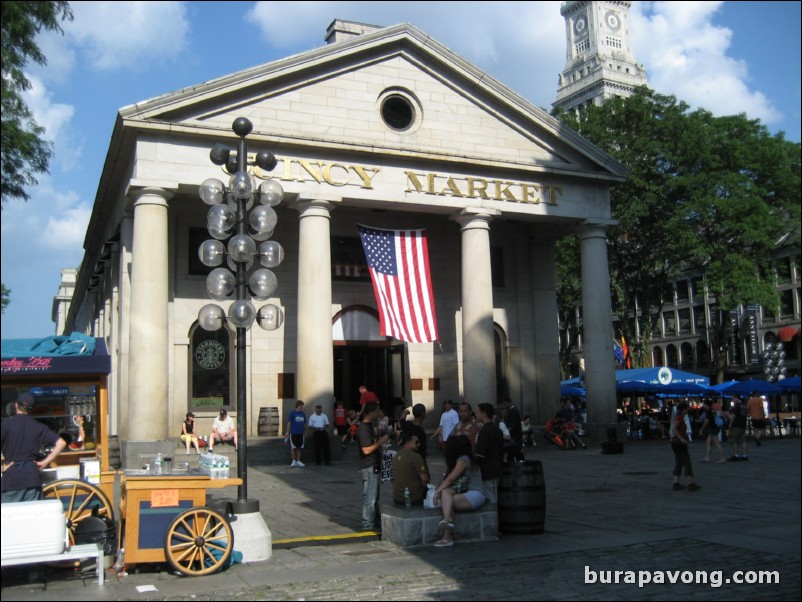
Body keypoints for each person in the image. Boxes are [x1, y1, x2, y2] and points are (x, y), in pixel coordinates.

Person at [1, 392, 68, 502]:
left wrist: (2, 468)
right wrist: (46, 461)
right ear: (30, 409)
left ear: (16, 405)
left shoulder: (5, 425)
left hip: (11, 478)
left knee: (9, 516)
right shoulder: (38, 427)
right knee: (32, 516)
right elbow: (62, 443)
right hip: (32, 477)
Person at [432, 434, 487, 547]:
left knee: (447, 500)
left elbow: (451, 478)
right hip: (467, 491)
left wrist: (437, 490)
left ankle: (447, 533)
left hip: (476, 494)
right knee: (446, 493)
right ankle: (447, 525)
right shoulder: (464, 458)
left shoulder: (463, 459)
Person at [357, 402, 390, 531]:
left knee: (374, 497)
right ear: (370, 412)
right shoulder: (363, 428)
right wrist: (380, 443)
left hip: (374, 465)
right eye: (376, 411)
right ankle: (367, 524)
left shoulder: (370, 426)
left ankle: (374, 521)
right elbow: (365, 450)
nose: (378, 414)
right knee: (369, 497)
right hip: (368, 465)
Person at [473, 403, 504, 504]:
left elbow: (480, 454)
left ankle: (494, 518)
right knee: (496, 495)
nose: (476, 414)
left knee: (491, 497)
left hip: (488, 469)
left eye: (478, 412)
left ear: (484, 414)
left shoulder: (485, 431)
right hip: (498, 467)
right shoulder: (497, 429)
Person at [391, 431, 429, 505]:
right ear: (408, 443)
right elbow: (425, 479)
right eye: (416, 442)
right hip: (413, 498)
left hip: (397, 498)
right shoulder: (416, 457)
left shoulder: (395, 456)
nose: (419, 444)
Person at [671, 401, 700, 491]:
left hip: (675, 443)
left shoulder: (680, 417)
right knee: (687, 462)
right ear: (684, 409)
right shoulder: (679, 418)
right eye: (687, 408)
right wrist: (681, 438)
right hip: (679, 443)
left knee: (679, 463)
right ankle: (690, 483)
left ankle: (675, 483)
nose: (689, 409)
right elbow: (674, 428)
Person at [397, 403, 428, 468]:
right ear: (423, 414)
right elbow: (423, 453)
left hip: (406, 458)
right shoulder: (420, 431)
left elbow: (401, 420)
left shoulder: (407, 425)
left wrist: (406, 412)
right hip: (416, 462)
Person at [285, 400, 307, 467]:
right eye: (301, 406)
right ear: (298, 405)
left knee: (299, 447)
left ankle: (298, 461)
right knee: (293, 447)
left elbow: (304, 424)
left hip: (301, 433)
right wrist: (287, 432)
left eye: (303, 406)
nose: (302, 407)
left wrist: (305, 431)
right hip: (293, 432)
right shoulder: (292, 413)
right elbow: (289, 423)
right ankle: (293, 461)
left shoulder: (303, 414)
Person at [727, 396, 748, 462]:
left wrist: (730, 423)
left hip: (736, 425)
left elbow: (733, 415)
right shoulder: (744, 406)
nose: (732, 400)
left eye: (733, 399)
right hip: (743, 425)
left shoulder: (736, 406)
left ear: (736, 398)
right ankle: (745, 455)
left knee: (734, 440)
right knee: (743, 440)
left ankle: (735, 455)